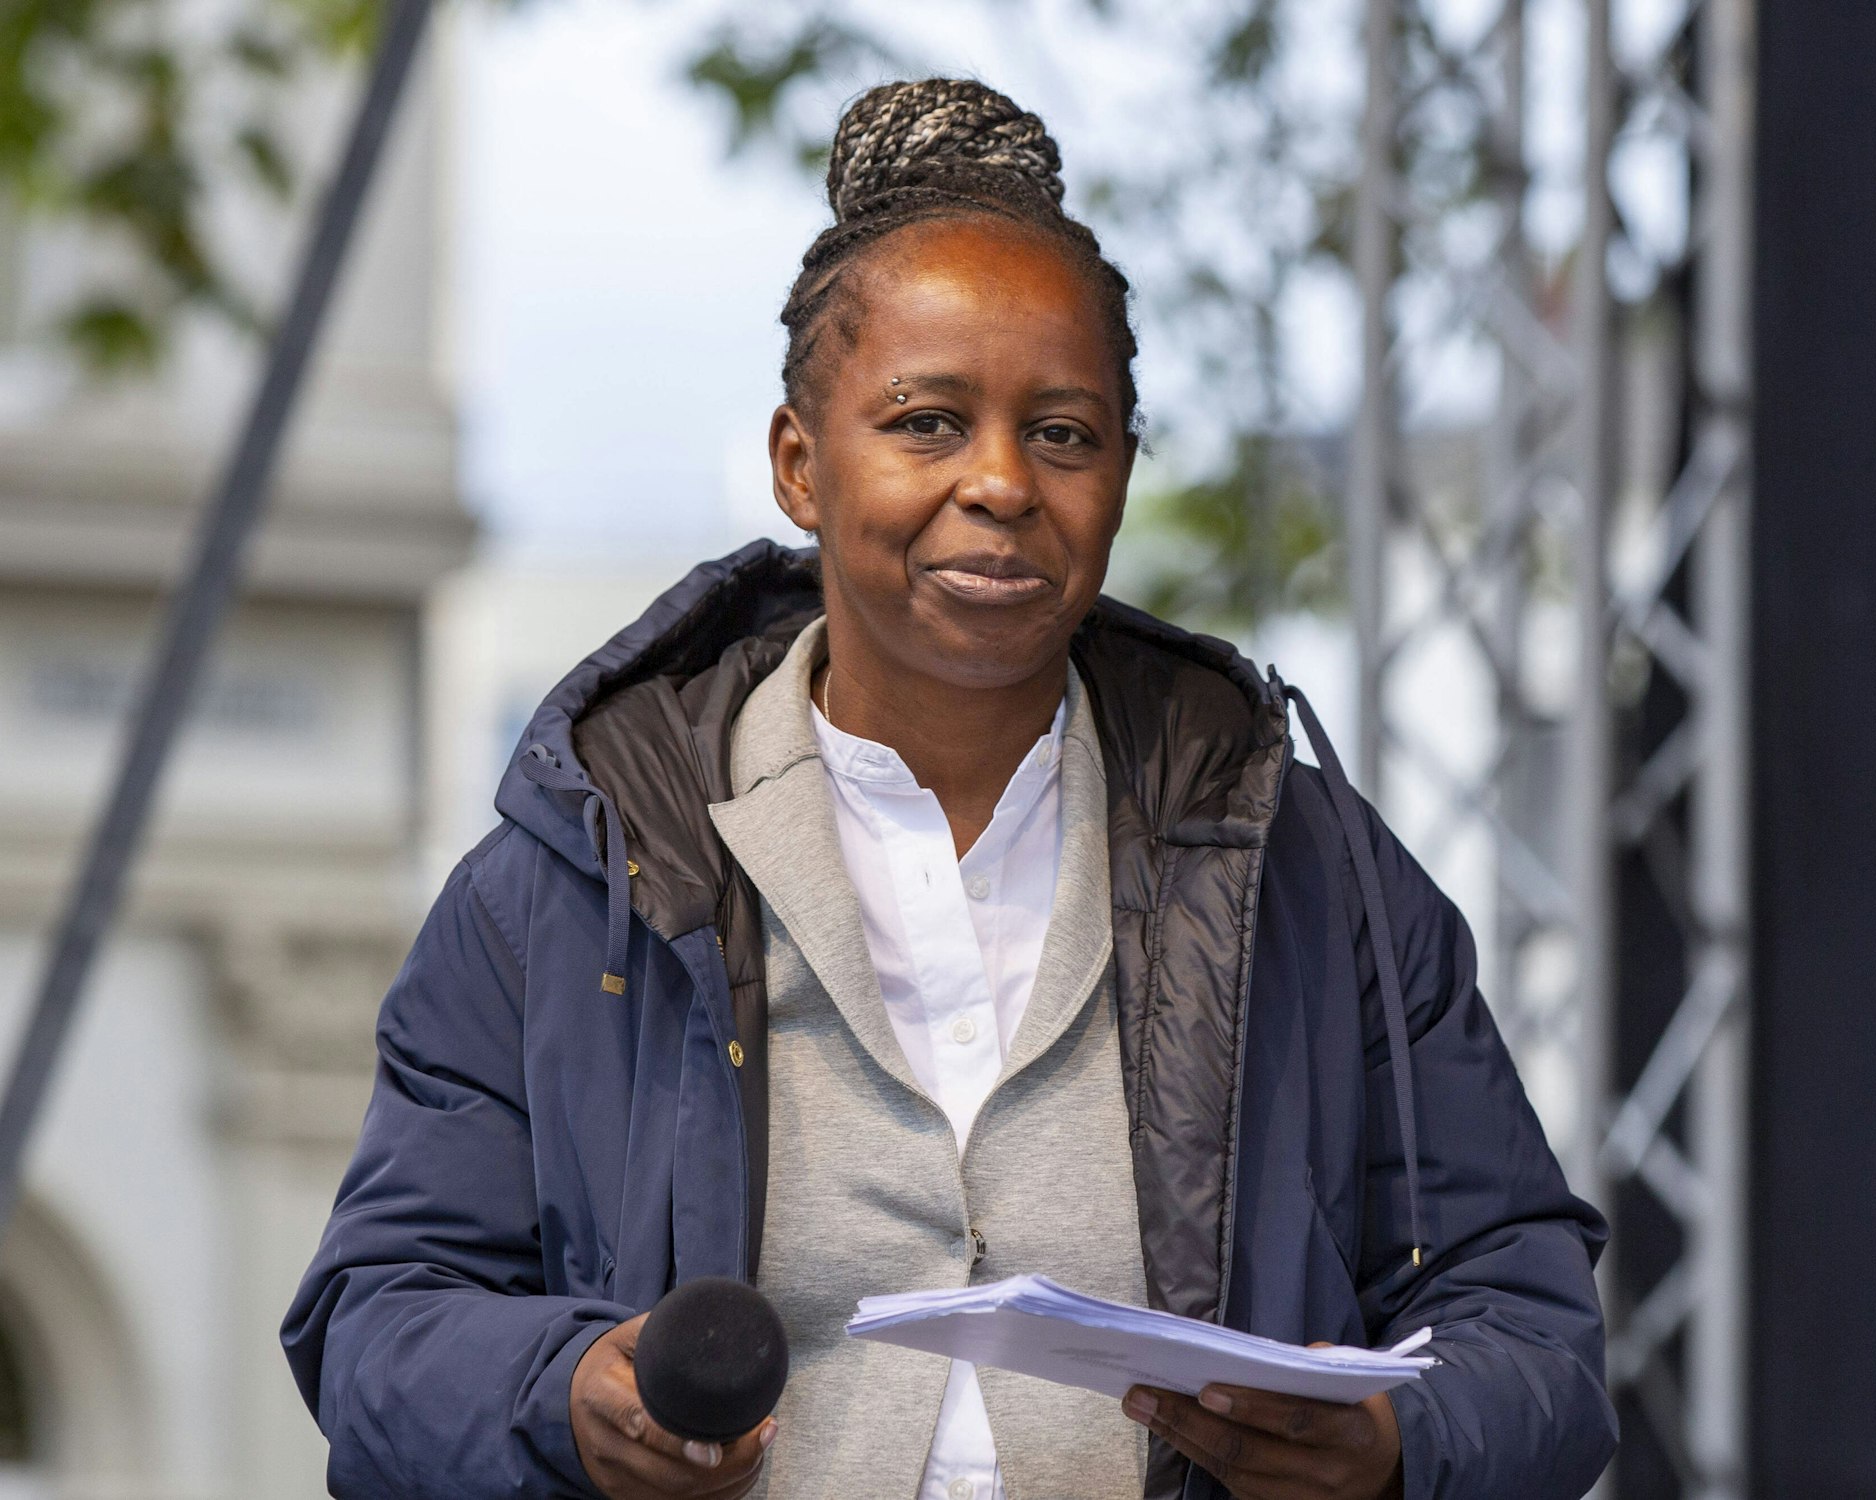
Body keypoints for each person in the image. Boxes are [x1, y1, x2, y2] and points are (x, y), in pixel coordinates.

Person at [282, 78, 1616, 1500]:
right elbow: (379, 1322)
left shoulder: (1307, 868)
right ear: (801, 465)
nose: (1001, 482)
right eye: (926, 423)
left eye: (1066, 433)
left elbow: (1531, 1326)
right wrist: (564, 1400)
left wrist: (1401, 1444)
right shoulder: (575, 872)